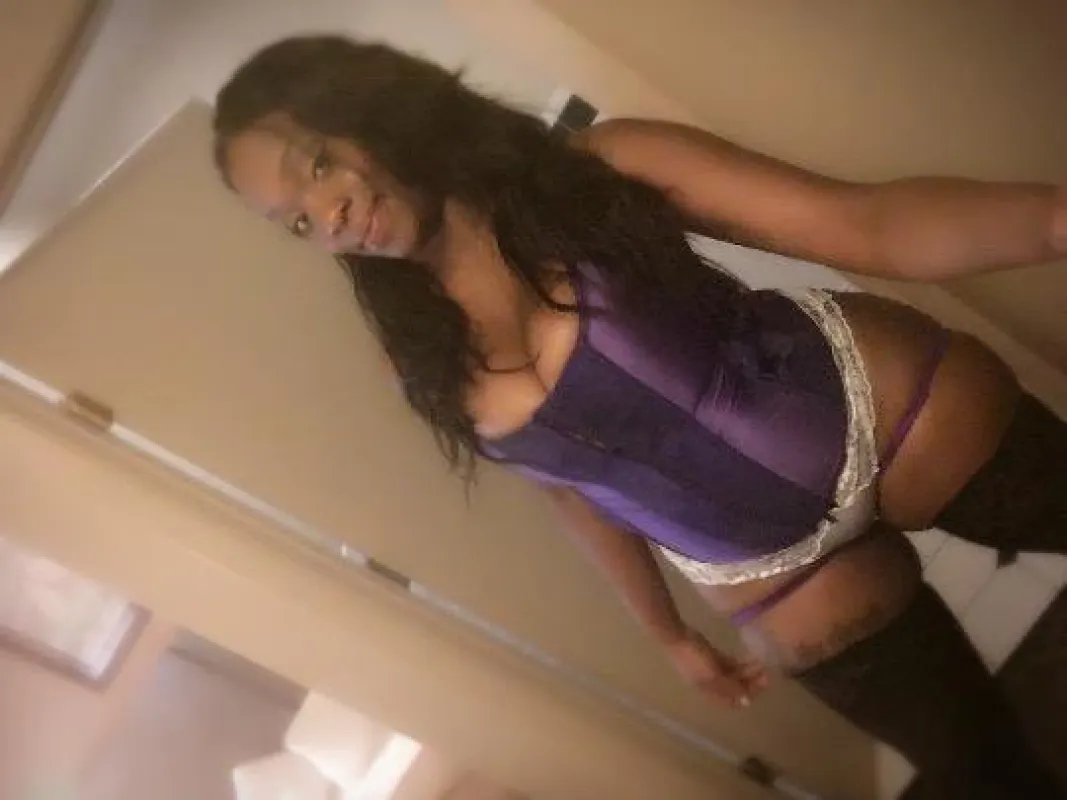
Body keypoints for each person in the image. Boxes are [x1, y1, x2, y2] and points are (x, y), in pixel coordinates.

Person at [212, 36, 1065, 798]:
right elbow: (573, 488)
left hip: (884, 412)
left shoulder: (597, 166)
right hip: (768, 572)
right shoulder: (422, 362)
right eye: (296, 222)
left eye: (316, 166)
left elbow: (860, 224)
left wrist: (1052, 221)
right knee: (982, 776)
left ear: (373, 108)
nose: (327, 217)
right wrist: (667, 635)